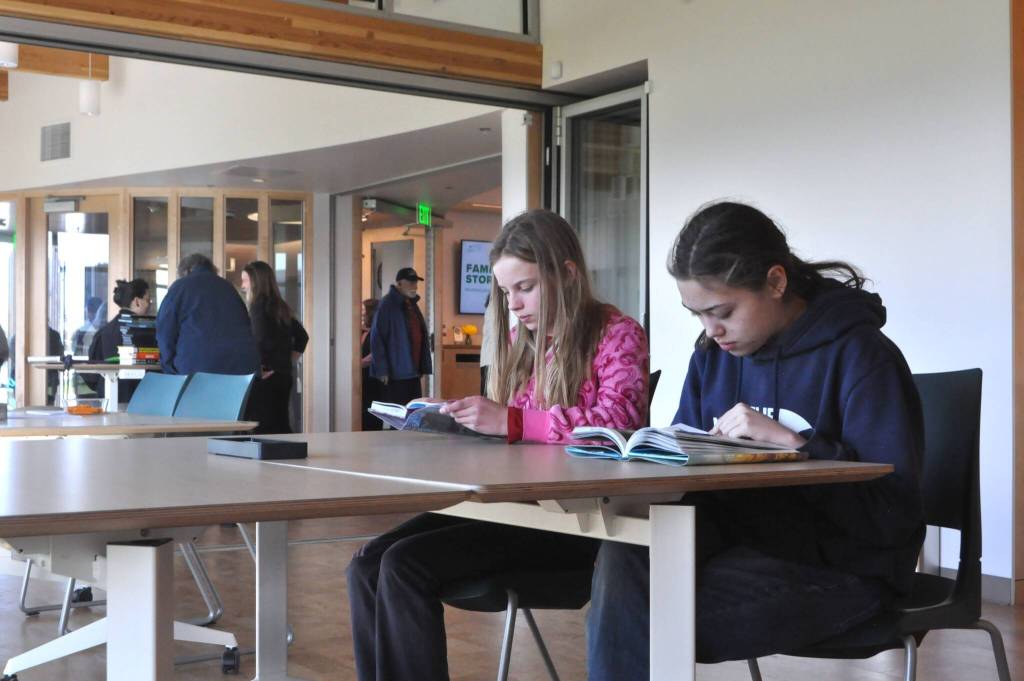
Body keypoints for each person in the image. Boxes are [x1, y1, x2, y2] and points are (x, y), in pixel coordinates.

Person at [586, 201, 925, 679]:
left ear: (776, 282)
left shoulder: (863, 356)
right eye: (697, 314)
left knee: (641, 621)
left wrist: (797, 445)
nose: (711, 330)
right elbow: (684, 465)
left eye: (722, 311)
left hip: (847, 568)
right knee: (629, 553)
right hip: (742, 549)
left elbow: (891, 517)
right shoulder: (713, 357)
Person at [346, 209, 650, 681]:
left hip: (573, 522)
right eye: (506, 292)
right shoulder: (522, 342)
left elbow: (619, 426)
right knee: (366, 563)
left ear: (568, 274)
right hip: (512, 507)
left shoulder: (618, 334)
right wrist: (453, 415)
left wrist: (508, 419)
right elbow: (515, 430)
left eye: (525, 287)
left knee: (403, 565)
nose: (515, 305)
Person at [156, 253, 259, 377]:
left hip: (199, 367)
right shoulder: (229, 288)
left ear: (186, 271)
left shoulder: (180, 287)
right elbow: (245, 324)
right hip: (243, 368)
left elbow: (165, 332)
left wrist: (169, 368)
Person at [240, 260, 309, 434]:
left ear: (255, 282)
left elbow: (259, 341)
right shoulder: (280, 306)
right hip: (283, 376)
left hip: (265, 378)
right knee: (280, 424)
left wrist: (257, 368)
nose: (242, 286)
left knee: (262, 428)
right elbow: (302, 336)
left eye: (245, 281)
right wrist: (286, 361)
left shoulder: (257, 307)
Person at [369, 267, 431, 405]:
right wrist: (382, 370)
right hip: (396, 374)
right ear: (399, 284)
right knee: (399, 417)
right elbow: (377, 338)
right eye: (410, 282)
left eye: (415, 282)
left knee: (413, 413)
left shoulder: (411, 303)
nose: (414, 286)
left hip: (412, 372)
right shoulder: (387, 304)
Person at [86, 278, 151, 402]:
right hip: (142, 398)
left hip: (108, 397)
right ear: (137, 301)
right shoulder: (147, 330)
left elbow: (92, 375)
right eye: (148, 300)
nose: (150, 304)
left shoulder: (105, 331)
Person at [360, 298, 384, 431]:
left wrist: (359, 364)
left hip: (373, 379)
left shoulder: (378, 330)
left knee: (371, 415)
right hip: (363, 378)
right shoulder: (365, 331)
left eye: (364, 311)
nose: (362, 314)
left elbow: (375, 355)